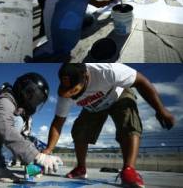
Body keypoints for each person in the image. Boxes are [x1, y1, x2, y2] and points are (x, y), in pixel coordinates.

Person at [43, 63, 175, 188]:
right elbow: (58, 123)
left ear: (86, 76)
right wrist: (47, 150)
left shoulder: (108, 71)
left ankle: (129, 170)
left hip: (117, 95)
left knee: (128, 119)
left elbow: (141, 81)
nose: (71, 94)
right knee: (79, 130)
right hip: (93, 106)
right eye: (68, 91)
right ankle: (81, 168)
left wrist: (161, 110)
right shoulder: (65, 94)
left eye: (75, 90)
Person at [0, 73, 62, 183]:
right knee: (16, 123)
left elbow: (22, 138)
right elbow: (6, 130)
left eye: (37, 100)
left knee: (27, 139)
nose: (33, 102)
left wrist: (33, 165)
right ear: (22, 89)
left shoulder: (18, 108)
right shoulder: (6, 101)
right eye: (31, 96)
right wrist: (37, 156)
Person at [39, 0, 121, 57]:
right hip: (59, 30)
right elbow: (98, 4)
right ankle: (69, 35)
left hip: (50, 25)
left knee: (83, 14)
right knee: (90, 18)